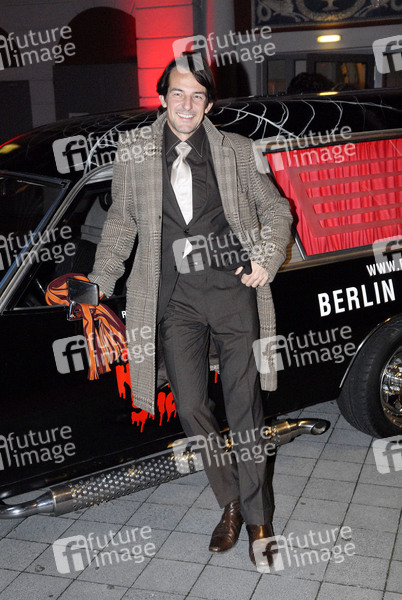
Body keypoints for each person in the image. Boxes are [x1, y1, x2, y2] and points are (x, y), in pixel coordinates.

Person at [89, 52, 292, 567]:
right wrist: (99, 282)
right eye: (177, 93)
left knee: (245, 409)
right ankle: (230, 501)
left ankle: (258, 519)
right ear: (162, 98)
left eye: (197, 96)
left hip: (232, 293)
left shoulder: (237, 150)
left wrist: (266, 258)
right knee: (191, 408)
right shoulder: (134, 151)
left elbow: (276, 209)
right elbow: (121, 225)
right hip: (173, 299)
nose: (186, 104)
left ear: (208, 103)